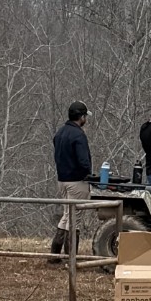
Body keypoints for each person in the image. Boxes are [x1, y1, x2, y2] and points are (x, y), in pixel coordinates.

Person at [50, 100, 92, 254]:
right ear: (81, 117)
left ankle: (54, 254)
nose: (86, 119)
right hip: (77, 181)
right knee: (75, 220)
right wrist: (88, 173)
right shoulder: (78, 135)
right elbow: (83, 161)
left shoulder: (60, 132)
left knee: (66, 216)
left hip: (62, 180)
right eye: (85, 116)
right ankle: (71, 257)